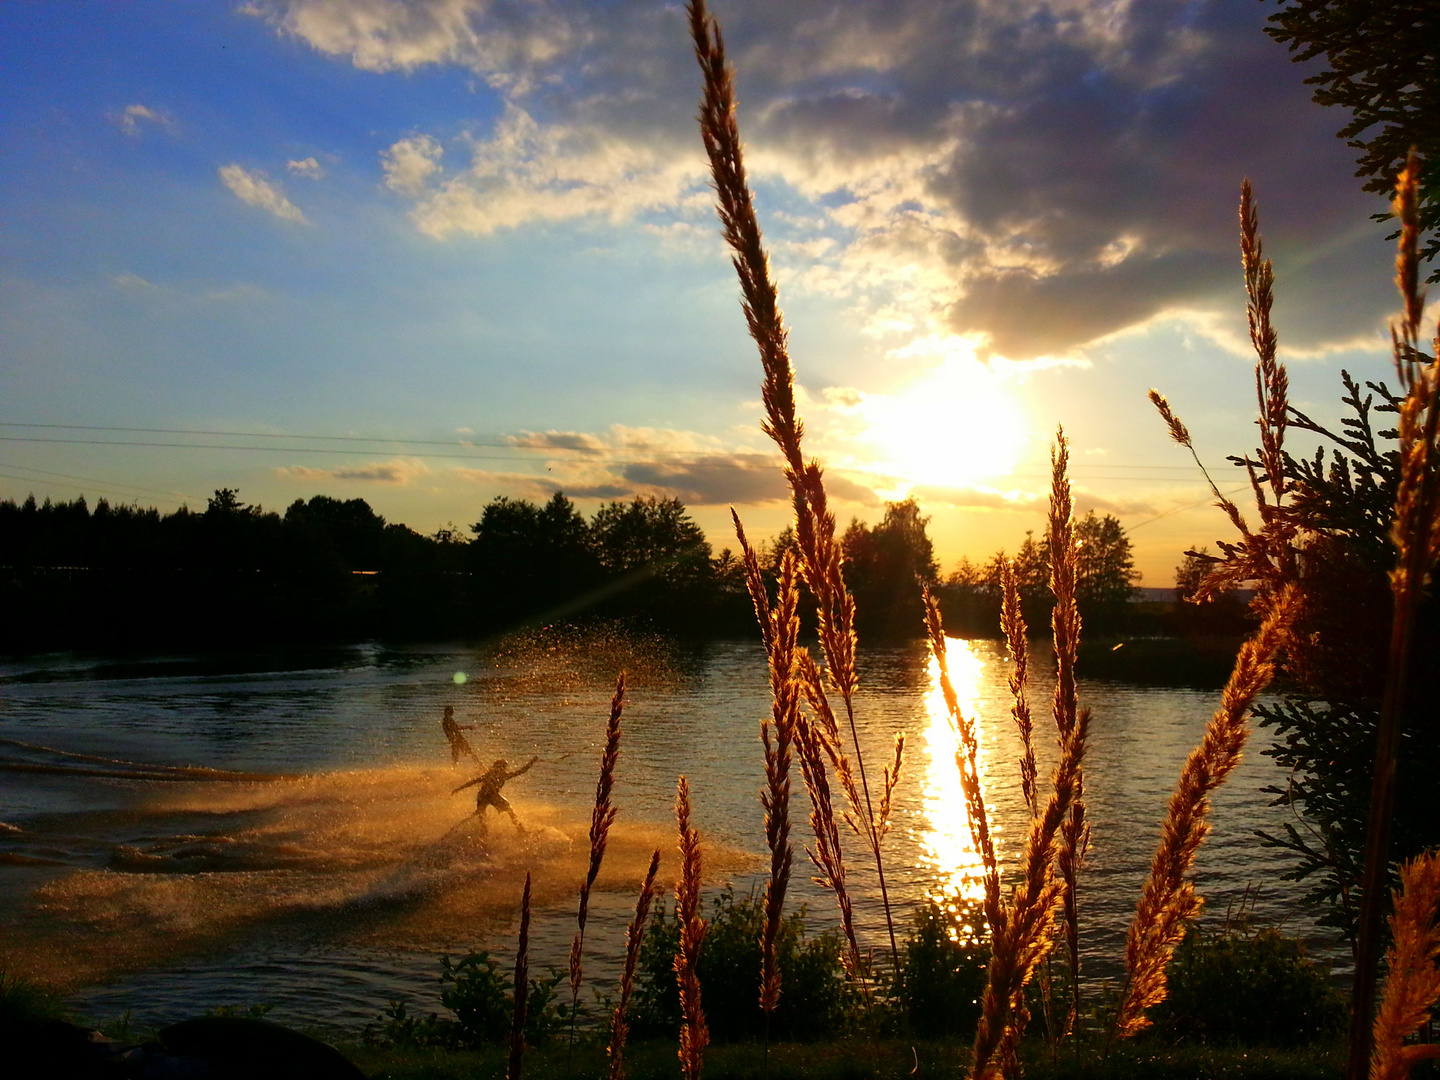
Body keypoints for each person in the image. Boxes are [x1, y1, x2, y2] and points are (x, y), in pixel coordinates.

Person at [452, 756, 539, 834]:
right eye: (502, 767)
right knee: (481, 816)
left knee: (508, 809)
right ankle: (481, 834)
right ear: (497, 767)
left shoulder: (503, 775)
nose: (503, 769)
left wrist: (532, 762)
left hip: (490, 796)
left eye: (504, 767)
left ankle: (520, 831)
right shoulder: (491, 775)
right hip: (484, 797)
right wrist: (458, 789)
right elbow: (473, 782)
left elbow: (521, 771)